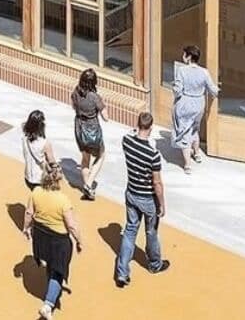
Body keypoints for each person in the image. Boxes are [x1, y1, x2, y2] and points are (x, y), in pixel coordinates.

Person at [115, 111, 170, 287]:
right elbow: (157, 183)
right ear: (151, 128)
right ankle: (154, 264)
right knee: (151, 232)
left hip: (131, 193)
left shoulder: (127, 142)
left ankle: (122, 272)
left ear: (138, 125)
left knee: (130, 231)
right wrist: (162, 204)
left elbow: (130, 133)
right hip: (148, 199)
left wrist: (136, 129)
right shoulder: (153, 155)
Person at [23, 165, 83, 319]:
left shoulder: (36, 192)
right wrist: (79, 241)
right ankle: (48, 305)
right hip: (59, 241)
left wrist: (26, 228)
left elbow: (29, 213)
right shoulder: (63, 200)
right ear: (59, 180)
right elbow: (71, 225)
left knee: (50, 263)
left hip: (41, 236)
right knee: (58, 271)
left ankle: (51, 290)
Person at [172, 44, 218, 172]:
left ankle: (187, 164)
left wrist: (174, 88)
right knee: (194, 128)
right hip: (199, 103)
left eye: (184, 54)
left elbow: (178, 90)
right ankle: (197, 154)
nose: (183, 56)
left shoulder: (182, 71)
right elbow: (213, 89)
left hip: (185, 103)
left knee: (184, 133)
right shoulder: (204, 72)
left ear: (189, 57)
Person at [70, 67, 106, 199]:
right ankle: (89, 183)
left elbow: (73, 106)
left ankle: (87, 187)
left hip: (79, 128)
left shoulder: (75, 92)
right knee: (101, 155)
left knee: (85, 158)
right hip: (92, 130)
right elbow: (106, 117)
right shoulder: (95, 97)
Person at [22, 109, 58, 191]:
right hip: (41, 180)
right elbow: (52, 162)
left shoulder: (24, 139)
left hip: (28, 178)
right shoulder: (45, 143)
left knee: (35, 195)